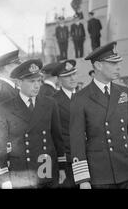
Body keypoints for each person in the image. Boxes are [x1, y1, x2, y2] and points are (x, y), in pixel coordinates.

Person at [70, 42, 128, 189]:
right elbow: (77, 140)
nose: (118, 67)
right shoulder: (80, 98)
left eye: (118, 63)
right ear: (98, 66)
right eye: (113, 63)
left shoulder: (123, 92)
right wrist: (83, 179)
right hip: (101, 173)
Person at [0, 59, 66, 189]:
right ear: (18, 83)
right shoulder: (5, 107)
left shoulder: (50, 103)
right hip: (21, 173)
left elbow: (57, 137)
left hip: (47, 169)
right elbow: (0, 147)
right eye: (31, 81)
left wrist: (62, 167)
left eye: (38, 81)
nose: (36, 86)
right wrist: (4, 176)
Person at [52, 60, 78, 188]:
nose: (72, 78)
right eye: (67, 76)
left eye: (74, 74)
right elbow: (55, 134)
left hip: (86, 157)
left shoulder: (83, 97)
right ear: (59, 79)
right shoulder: (53, 101)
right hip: (67, 160)